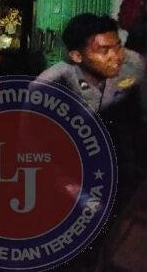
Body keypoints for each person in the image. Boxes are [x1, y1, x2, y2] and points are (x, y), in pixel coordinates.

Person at [37, 13, 145, 200]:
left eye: (118, 46)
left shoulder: (132, 66)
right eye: (104, 50)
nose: (117, 57)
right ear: (77, 56)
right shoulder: (50, 87)